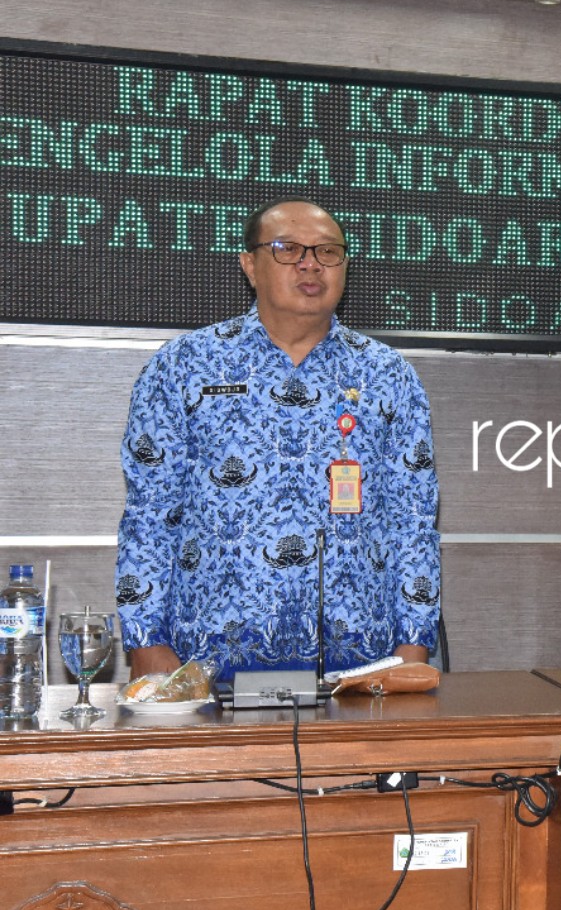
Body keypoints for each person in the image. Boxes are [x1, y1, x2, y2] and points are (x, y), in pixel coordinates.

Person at [115, 199, 441, 680]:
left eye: (328, 252)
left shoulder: (388, 375)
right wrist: (146, 639)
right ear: (250, 265)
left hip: (361, 659)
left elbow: (413, 521)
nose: (311, 264)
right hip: (207, 656)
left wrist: (412, 647)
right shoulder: (183, 366)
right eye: (288, 249)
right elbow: (150, 514)